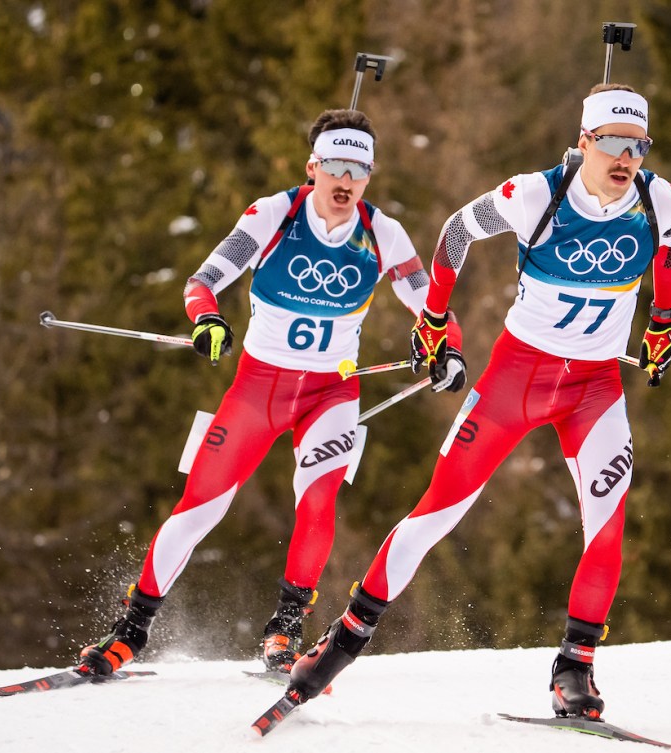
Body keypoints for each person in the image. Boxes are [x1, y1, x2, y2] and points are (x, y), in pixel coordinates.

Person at [285, 84, 671, 719]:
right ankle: (339, 643)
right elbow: (453, 233)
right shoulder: (536, 194)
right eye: (609, 142)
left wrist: (663, 322)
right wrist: (435, 319)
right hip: (514, 382)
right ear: (584, 141)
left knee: (608, 525)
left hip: (594, 389)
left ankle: (574, 667)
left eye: (636, 146)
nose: (624, 157)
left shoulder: (657, 197)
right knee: (432, 515)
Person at [76, 109, 467, 677]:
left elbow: (432, 306)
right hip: (257, 390)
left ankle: (285, 629)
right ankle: (130, 630)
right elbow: (202, 282)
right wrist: (207, 319)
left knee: (317, 502)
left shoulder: (382, 233)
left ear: (369, 175)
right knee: (198, 508)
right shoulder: (274, 213)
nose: (345, 179)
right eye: (334, 164)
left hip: (331, 394)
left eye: (358, 168)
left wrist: (446, 349)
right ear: (313, 167)